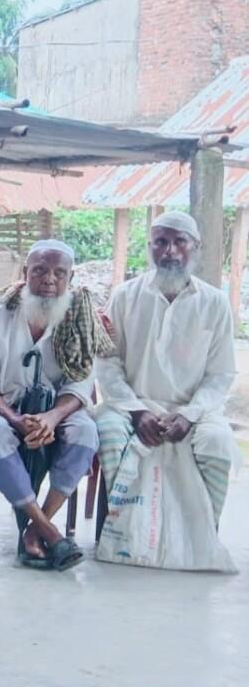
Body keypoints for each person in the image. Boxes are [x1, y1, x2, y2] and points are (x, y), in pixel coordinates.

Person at [95, 211, 238, 567]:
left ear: (196, 247)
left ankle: (202, 538)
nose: (170, 251)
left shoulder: (215, 303)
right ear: (150, 247)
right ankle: (121, 534)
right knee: (109, 432)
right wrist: (137, 411)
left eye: (179, 242)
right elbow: (108, 364)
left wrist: (189, 415)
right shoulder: (124, 296)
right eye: (161, 242)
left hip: (194, 410)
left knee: (219, 442)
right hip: (133, 406)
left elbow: (220, 374)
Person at [0, 240, 107, 571]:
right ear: (25, 272)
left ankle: (35, 529)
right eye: (40, 270)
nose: (49, 279)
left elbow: (79, 387)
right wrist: (15, 418)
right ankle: (50, 533)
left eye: (59, 273)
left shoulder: (79, 317)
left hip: (57, 410)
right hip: (1, 405)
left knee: (86, 432)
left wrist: (51, 417)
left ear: (70, 277)